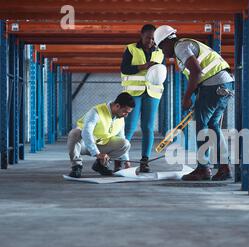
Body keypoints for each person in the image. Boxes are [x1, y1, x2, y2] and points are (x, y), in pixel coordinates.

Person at [154, 25, 234, 181]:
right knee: (213, 126)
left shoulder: (180, 47)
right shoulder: (187, 45)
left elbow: (196, 71)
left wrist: (187, 96)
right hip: (224, 85)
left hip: (213, 86)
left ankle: (203, 168)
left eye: (162, 48)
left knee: (202, 127)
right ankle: (225, 167)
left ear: (166, 42)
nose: (163, 53)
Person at [120, 24, 165, 173]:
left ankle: (144, 161)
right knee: (130, 127)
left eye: (153, 38)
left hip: (153, 93)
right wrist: (143, 66)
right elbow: (124, 69)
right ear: (141, 35)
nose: (150, 41)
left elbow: (162, 72)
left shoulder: (160, 52)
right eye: (148, 38)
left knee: (148, 127)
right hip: (134, 93)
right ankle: (121, 158)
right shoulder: (131, 49)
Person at [67, 92, 135, 178]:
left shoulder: (120, 118)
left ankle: (101, 165)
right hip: (83, 145)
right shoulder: (96, 111)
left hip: (101, 146)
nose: (126, 115)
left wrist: (126, 161)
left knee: (125, 144)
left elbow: (121, 137)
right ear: (117, 106)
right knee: (74, 133)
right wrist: (96, 153)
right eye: (125, 111)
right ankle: (76, 167)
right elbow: (86, 132)